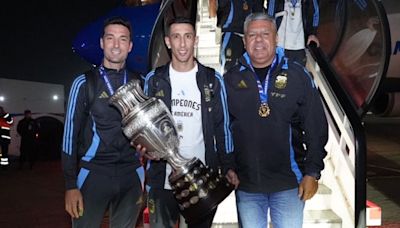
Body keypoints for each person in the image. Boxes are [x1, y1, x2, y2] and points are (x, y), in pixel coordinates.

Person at [223, 13, 328, 227]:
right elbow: (223, 129)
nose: (259, 40)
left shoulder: (298, 75)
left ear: (276, 38)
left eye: (265, 34)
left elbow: (316, 126)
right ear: (244, 41)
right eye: (252, 35)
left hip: (289, 184)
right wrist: (227, 166)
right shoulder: (230, 79)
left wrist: (313, 172)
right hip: (248, 184)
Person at [142, 17, 239, 228]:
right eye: (176, 37)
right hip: (162, 180)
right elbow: (144, 127)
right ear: (168, 41)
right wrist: (144, 148)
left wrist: (228, 165)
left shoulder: (212, 79)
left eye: (187, 37)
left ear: (195, 40)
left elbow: (222, 128)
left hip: (202, 183)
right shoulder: (154, 79)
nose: (183, 44)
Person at [61, 16, 144, 227]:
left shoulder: (141, 83)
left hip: (132, 174)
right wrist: (71, 185)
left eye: (123, 39)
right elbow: (69, 137)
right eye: (110, 38)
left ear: (130, 45)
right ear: (101, 43)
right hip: (93, 175)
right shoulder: (83, 83)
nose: (116, 45)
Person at [217, 0, 266, 72]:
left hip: (251, 35)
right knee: (230, 70)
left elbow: (258, 12)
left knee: (251, 71)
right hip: (231, 33)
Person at [267, 0, 320, 66]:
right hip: (279, 45)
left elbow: (315, 14)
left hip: (299, 46)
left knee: (298, 74)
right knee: (276, 73)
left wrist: (312, 33)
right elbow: (269, 17)